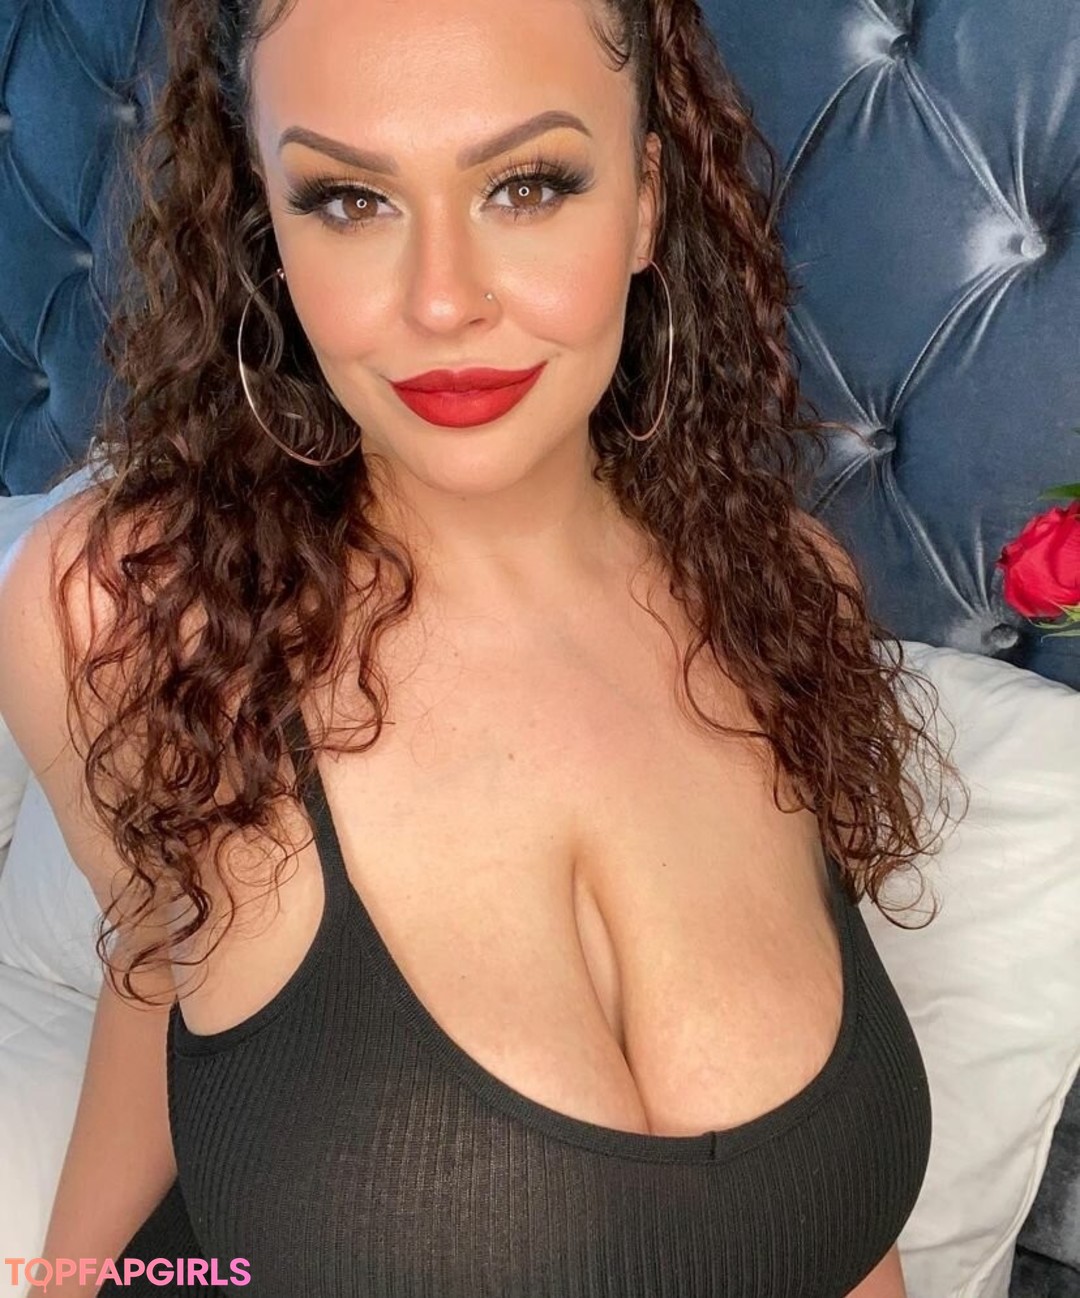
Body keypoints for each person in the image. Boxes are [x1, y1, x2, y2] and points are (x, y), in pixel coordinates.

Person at [0, 0, 967, 1294]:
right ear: (267, 230)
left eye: (528, 185)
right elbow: (166, 954)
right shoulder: (125, 616)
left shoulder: (787, 602)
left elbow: (835, 1231)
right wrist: (65, 1278)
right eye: (350, 200)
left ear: (644, 201)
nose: (443, 300)